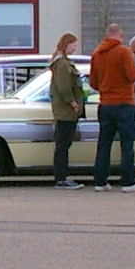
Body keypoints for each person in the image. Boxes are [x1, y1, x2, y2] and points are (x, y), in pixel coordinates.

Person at [90, 23, 135, 192]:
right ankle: (128, 182)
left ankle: (100, 181)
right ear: (121, 34)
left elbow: (93, 82)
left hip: (105, 104)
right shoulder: (124, 52)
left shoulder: (96, 53)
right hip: (124, 103)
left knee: (104, 143)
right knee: (127, 144)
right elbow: (132, 76)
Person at [50, 32, 85, 189]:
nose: (75, 48)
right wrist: (73, 102)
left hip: (64, 110)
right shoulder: (63, 64)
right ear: (67, 44)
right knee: (63, 145)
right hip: (66, 111)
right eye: (73, 45)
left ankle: (62, 177)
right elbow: (64, 87)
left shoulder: (61, 62)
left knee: (63, 144)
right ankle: (61, 178)